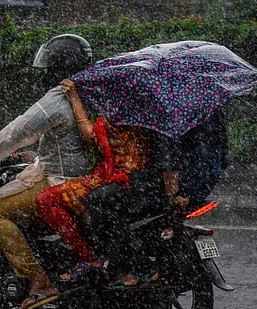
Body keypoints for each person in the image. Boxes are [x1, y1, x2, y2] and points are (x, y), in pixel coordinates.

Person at [0, 34, 95, 309]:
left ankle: (38, 280)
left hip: (62, 182)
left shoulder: (57, 99)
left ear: (58, 67)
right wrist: (34, 157)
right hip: (84, 177)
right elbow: (69, 144)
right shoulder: (87, 92)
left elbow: (16, 133)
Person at [83, 111, 229, 286]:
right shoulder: (208, 110)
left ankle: (134, 266)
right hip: (199, 186)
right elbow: (222, 157)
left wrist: (175, 194)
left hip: (172, 186)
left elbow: (168, 158)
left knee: (100, 201)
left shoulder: (171, 114)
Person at [35, 79, 154, 282]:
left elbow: (90, 136)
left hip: (113, 178)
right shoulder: (145, 115)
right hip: (142, 180)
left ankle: (88, 258)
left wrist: (74, 98)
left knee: (45, 200)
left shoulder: (115, 117)